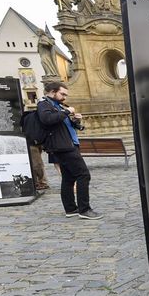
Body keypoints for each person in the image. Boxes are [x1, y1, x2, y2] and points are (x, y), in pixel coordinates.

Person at [37, 82, 102, 220]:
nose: (64, 97)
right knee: (84, 175)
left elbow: (61, 124)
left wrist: (75, 121)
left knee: (68, 177)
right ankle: (84, 210)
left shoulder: (56, 105)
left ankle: (71, 209)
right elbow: (47, 119)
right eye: (62, 94)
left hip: (66, 144)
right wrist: (66, 111)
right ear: (53, 91)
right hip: (63, 147)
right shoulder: (44, 104)